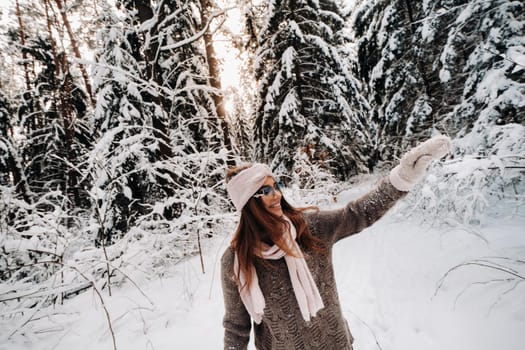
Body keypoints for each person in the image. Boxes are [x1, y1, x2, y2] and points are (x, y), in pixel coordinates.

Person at [221, 135, 452, 350]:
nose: (277, 195)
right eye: (265, 191)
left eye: (277, 185)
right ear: (247, 202)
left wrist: (401, 178)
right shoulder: (235, 261)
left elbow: (357, 214)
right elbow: (236, 328)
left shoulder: (309, 229)